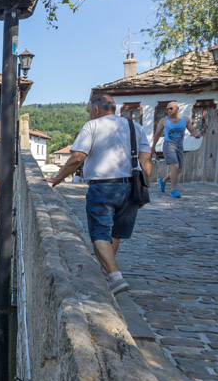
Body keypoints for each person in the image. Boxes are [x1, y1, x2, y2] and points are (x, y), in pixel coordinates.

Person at [51, 94, 152, 295]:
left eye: (89, 111)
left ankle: (115, 277)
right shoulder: (135, 127)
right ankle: (107, 274)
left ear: (96, 110)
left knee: (99, 233)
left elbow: (77, 157)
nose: (89, 114)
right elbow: (146, 159)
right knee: (115, 233)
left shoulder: (92, 126)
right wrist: (144, 190)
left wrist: (58, 178)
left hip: (103, 187)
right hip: (130, 187)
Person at [150, 101, 201, 198]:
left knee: (179, 170)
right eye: (167, 109)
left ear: (177, 108)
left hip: (179, 145)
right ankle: (173, 190)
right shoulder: (163, 121)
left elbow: (191, 130)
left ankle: (163, 180)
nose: (169, 110)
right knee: (175, 166)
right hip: (168, 145)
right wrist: (153, 147)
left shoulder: (185, 119)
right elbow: (156, 134)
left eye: (171, 108)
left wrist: (195, 135)